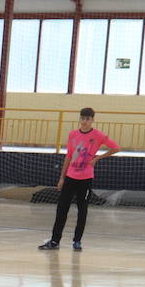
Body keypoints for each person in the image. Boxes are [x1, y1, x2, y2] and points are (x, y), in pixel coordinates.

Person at [39, 107, 119, 252]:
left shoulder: (98, 135)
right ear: (79, 119)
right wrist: (62, 178)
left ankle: (77, 241)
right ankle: (55, 241)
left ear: (92, 120)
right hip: (70, 177)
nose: (84, 121)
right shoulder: (73, 135)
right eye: (82, 118)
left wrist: (98, 158)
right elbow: (69, 156)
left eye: (87, 119)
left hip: (85, 179)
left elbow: (116, 148)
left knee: (82, 210)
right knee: (62, 209)